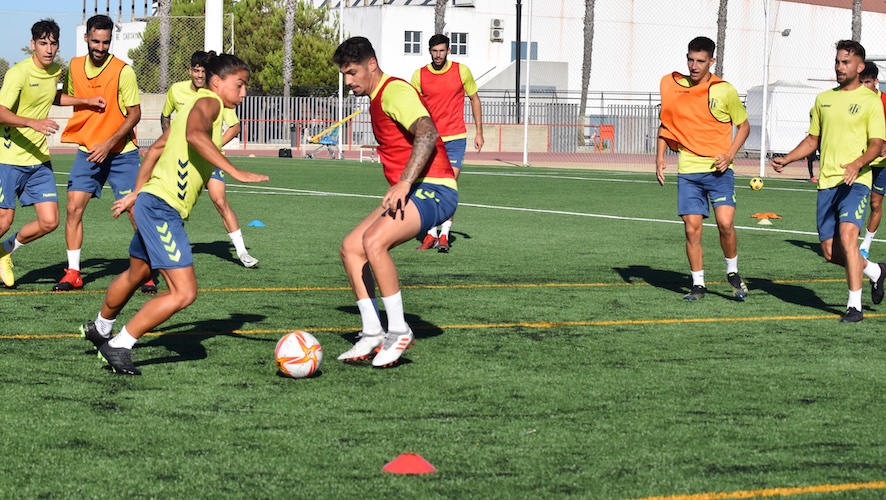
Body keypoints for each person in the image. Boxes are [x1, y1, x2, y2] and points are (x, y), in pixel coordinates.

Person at [79, 53, 269, 375]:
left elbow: (154, 150)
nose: (244, 92)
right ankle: (119, 345)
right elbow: (195, 137)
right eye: (240, 85)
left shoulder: (189, 108)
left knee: (137, 273)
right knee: (184, 292)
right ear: (217, 82)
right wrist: (234, 171)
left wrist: (135, 195)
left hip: (153, 202)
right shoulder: (210, 104)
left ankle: (100, 327)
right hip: (162, 209)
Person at [333, 37, 458, 367]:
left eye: (352, 73)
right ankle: (373, 332)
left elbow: (428, 132)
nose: (348, 82)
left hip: (435, 188)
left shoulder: (394, 91)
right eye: (344, 74)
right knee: (351, 247)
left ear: (371, 65)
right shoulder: (377, 97)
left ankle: (398, 331)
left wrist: (403, 182)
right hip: (414, 188)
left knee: (374, 242)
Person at [771, 40, 886, 323]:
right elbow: (813, 140)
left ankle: (854, 307)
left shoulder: (871, 101)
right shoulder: (823, 98)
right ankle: (875, 271)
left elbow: (876, 144)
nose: (839, 67)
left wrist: (858, 164)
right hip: (827, 184)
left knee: (849, 237)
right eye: (837, 61)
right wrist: (787, 158)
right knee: (829, 252)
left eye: (845, 62)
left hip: (857, 181)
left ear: (860, 67)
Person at [0, 19, 106, 288]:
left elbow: (54, 97)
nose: (49, 49)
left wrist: (86, 101)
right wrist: (32, 122)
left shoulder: (56, 71)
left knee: (49, 221)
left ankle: (5, 251)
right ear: (33, 45)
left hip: (38, 160)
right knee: (4, 220)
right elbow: (1, 112)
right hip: (8, 158)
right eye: (43, 43)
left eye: (53, 43)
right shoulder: (18, 74)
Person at [54, 15, 145, 292]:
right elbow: (60, 97)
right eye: (95, 41)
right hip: (88, 151)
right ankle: (73, 273)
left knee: (135, 212)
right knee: (73, 208)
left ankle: (146, 269)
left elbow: (135, 114)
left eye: (106, 42)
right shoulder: (73, 66)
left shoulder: (123, 71)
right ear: (86, 38)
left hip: (122, 153)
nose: (101, 47)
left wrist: (109, 143)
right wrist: (84, 101)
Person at [655, 36, 750, 301]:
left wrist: (729, 154)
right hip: (688, 171)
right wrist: (660, 157)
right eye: (690, 59)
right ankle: (698, 284)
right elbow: (666, 126)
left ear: (712, 61)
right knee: (691, 229)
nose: (694, 66)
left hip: (719, 172)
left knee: (725, 223)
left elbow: (743, 126)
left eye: (700, 61)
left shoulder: (724, 90)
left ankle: (732, 271)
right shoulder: (673, 86)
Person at [161, 50, 257, 268]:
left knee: (220, 201)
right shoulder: (177, 91)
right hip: (184, 160)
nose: (198, 75)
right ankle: (165, 250)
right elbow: (166, 117)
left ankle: (242, 252)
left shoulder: (217, 100)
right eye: (196, 71)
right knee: (175, 205)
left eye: (202, 71)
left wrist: (215, 146)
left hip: (211, 160)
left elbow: (234, 126)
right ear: (190, 71)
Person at [410, 34, 483, 253]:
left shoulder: (462, 71)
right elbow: (412, 105)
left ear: (448, 51)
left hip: (455, 139)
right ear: (430, 51)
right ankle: (431, 234)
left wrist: (479, 132)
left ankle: (445, 234)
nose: (438, 54)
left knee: (448, 187)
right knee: (428, 188)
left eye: (442, 50)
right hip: (430, 139)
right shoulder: (419, 75)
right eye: (435, 51)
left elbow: (475, 99)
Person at [858, 61, 886, 259]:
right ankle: (848, 236)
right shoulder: (856, 102)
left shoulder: (884, 101)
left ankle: (865, 246)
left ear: (876, 81)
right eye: (861, 82)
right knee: (852, 200)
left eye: (867, 82)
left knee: (875, 204)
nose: (863, 86)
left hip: (882, 165)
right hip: (861, 162)